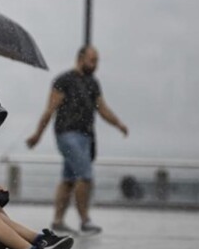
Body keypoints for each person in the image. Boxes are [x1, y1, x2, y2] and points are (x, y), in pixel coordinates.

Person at [26, 45, 128, 235]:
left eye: (97, 61)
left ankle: (57, 221)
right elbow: (50, 109)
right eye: (92, 60)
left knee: (69, 179)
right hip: (67, 134)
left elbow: (102, 109)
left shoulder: (93, 83)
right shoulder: (64, 80)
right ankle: (85, 220)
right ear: (80, 58)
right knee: (85, 176)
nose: (95, 65)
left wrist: (118, 124)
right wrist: (37, 135)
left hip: (86, 136)